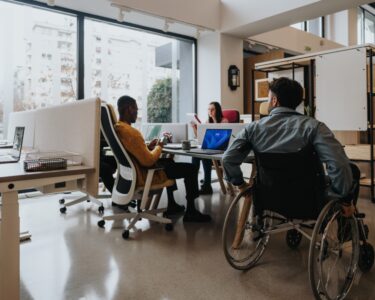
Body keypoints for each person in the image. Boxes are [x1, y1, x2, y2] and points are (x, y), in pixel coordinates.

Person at [223, 77, 356, 217]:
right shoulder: (315, 127)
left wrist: (240, 184)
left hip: (267, 196)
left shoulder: (252, 128)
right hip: (308, 198)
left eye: (268, 98)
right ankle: (345, 225)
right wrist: (342, 197)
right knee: (352, 171)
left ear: (274, 100)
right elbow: (339, 164)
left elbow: (228, 158)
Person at [114, 95, 211, 222]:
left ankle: (172, 205)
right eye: (136, 110)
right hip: (146, 174)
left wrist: (148, 146)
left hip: (134, 173)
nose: (137, 113)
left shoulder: (119, 128)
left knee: (169, 161)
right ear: (129, 109)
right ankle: (191, 211)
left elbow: (134, 152)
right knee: (191, 169)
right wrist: (159, 146)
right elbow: (148, 161)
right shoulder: (132, 132)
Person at [192, 101, 229, 195]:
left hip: (221, 150)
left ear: (218, 110)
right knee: (195, 156)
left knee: (205, 157)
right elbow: (200, 138)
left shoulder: (224, 121)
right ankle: (194, 186)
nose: (210, 111)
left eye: (212, 109)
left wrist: (213, 120)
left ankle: (207, 186)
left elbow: (221, 138)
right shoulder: (207, 122)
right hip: (210, 150)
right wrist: (194, 128)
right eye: (209, 109)